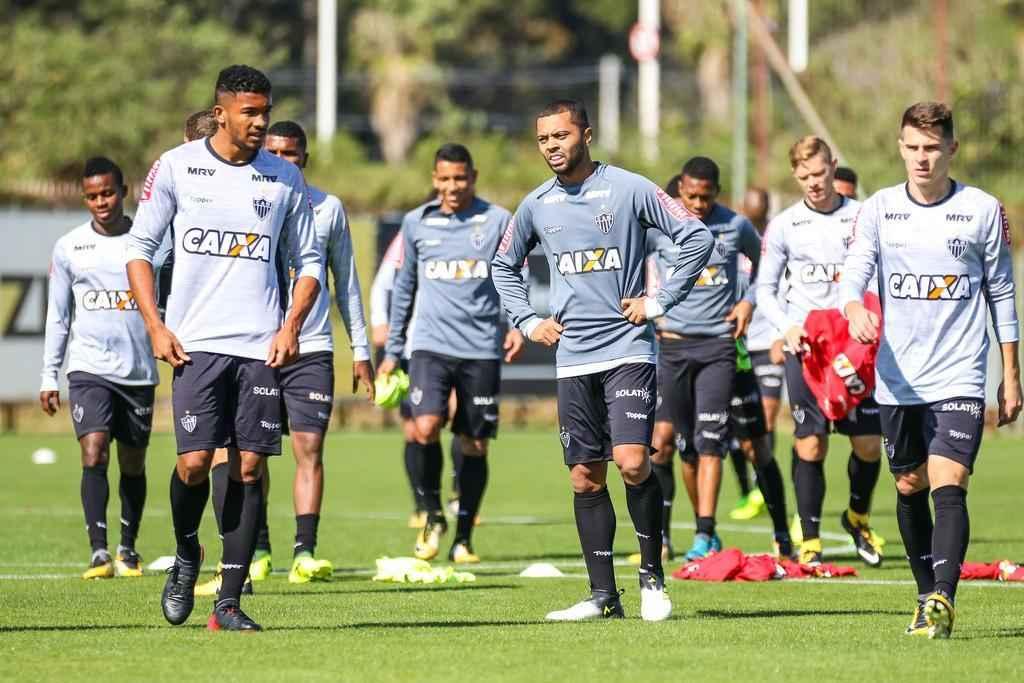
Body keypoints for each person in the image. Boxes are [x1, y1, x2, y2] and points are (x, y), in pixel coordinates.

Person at [492, 99, 714, 621]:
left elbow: (696, 237)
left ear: (586, 135)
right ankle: (602, 596)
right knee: (584, 478)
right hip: (572, 359)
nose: (552, 146)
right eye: (544, 138)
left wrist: (659, 301)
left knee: (633, 461)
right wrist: (527, 320)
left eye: (561, 135)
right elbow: (504, 265)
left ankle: (653, 580)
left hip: (628, 348)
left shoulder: (631, 188)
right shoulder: (536, 204)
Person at [126, 64, 322, 632]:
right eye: (250, 112)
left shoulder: (283, 180)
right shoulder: (177, 166)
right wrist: (155, 325)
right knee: (192, 465)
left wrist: (291, 326)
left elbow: (308, 261)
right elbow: (140, 248)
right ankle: (188, 552)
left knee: (250, 467)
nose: (261, 122)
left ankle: (229, 602)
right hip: (195, 345)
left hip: (261, 346)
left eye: (265, 111)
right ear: (221, 113)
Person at [842, 102, 1021, 638]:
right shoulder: (877, 209)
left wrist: (1010, 373)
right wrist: (853, 306)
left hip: (961, 372)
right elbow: (855, 272)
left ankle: (943, 596)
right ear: (900, 147)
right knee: (908, 483)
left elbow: (1002, 294)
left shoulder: (982, 210)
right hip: (898, 377)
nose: (921, 158)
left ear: (952, 149)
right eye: (912, 147)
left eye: (932, 148)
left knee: (951, 479)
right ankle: (924, 594)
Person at [376, 143, 524, 564]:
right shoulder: (416, 223)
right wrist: (393, 350)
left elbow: (512, 275)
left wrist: (516, 324)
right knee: (423, 428)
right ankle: (431, 511)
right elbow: (403, 289)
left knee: (474, 442)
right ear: (434, 179)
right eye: (444, 179)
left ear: (473, 176)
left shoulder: (496, 220)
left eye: (460, 178)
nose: (452, 186)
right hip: (430, 347)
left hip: (479, 349)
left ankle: (463, 538)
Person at [647, 157, 788, 560]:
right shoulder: (659, 229)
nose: (697, 204)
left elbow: (767, 268)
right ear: (679, 191)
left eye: (705, 197)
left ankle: (705, 533)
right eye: (690, 196)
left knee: (712, 443)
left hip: (719, 348)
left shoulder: (735, 225)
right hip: (672, 348)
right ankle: (694, 529)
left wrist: (747, 302)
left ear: (717, 192)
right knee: (683, 446)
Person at [756, 136, 885, 567]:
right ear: (796, 175)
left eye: (820, 172)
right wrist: (787, 327)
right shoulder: (786, 225)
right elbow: (765, 289)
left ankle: (857, 516)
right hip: (808, 348)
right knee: (810, 444)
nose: (814, 182)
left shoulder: (863, 217)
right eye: (804, 176)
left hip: (856, 345)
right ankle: (810, 538)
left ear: (833, 165)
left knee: (868, 444)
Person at [40, 157, 158, 581]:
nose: (100, 202)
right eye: (92, 196)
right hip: (89, 368)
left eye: (107, 193)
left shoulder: (149, 242)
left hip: (139, 371)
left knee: (132, 462)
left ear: (123, 192)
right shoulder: (70, 246)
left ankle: (128, 548)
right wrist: (48, 375)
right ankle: (98, 552)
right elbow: (58, 316)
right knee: (93, 449)